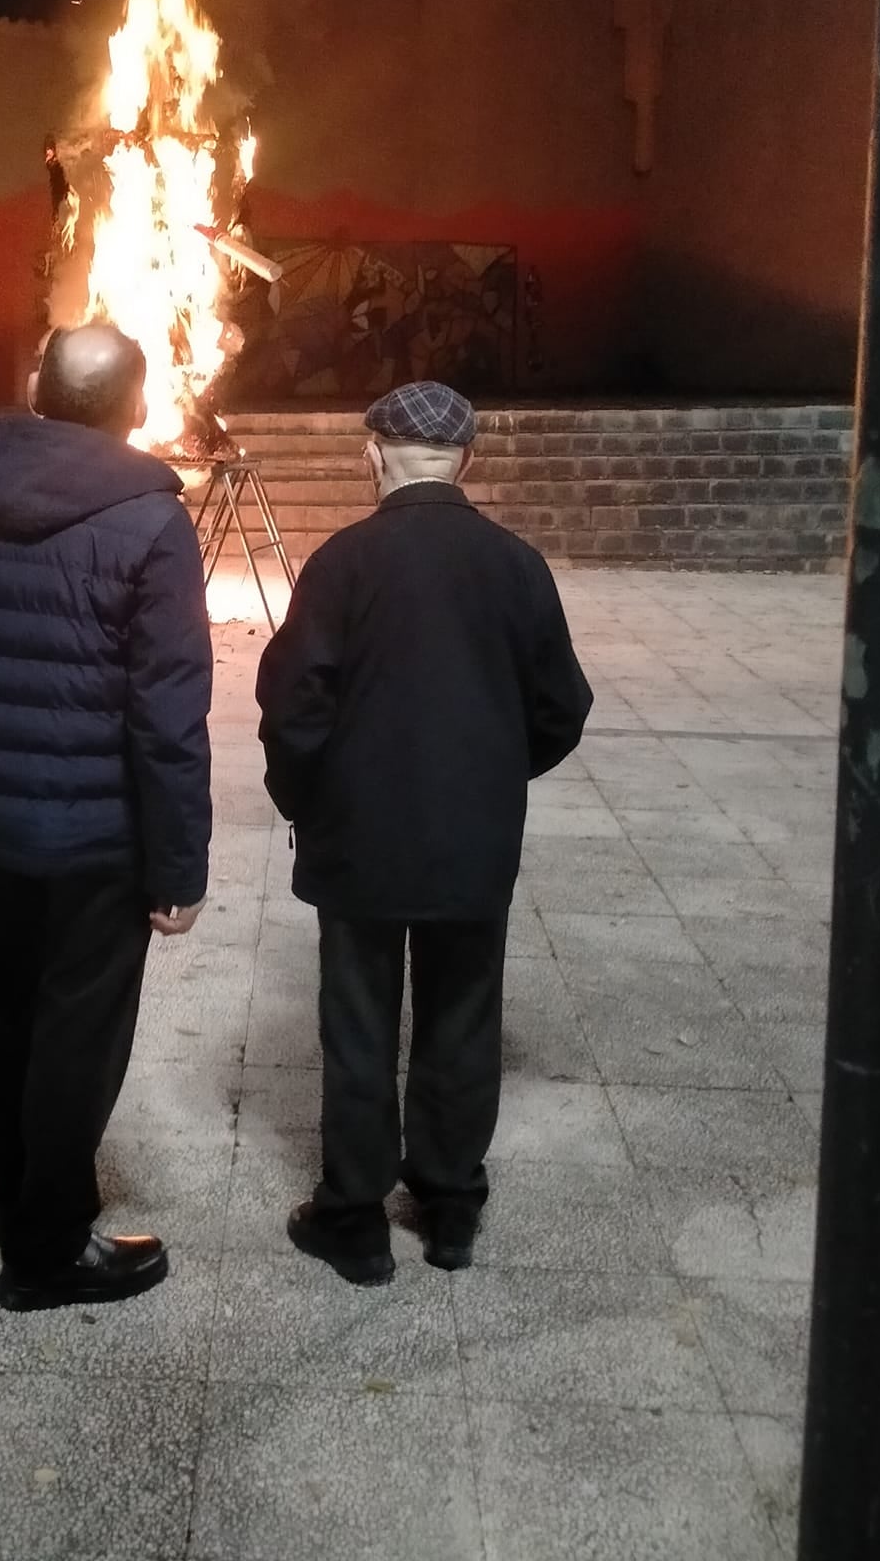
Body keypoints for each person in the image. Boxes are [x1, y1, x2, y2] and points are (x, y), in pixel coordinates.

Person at [0, 322, 213, 1312]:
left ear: (37, 391)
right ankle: (48, 1246)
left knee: (12, 1004)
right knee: (80, 1028)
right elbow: (168, 711)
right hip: (98, 834)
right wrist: (178, 862)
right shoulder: (152, 524)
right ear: (136, 408)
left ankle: (15, 1195)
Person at [255, 380, 592, 1284]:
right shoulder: (516, 565)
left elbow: (292, 705)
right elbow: (563, 706)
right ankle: (449, 1209)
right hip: (472, 838)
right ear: (468, 461)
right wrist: (488, 779)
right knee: (463, 1012)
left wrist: (303, 797)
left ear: (372, 454)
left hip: (361, 836)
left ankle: (355, 1220)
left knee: (359, 1021)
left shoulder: (343, 563)